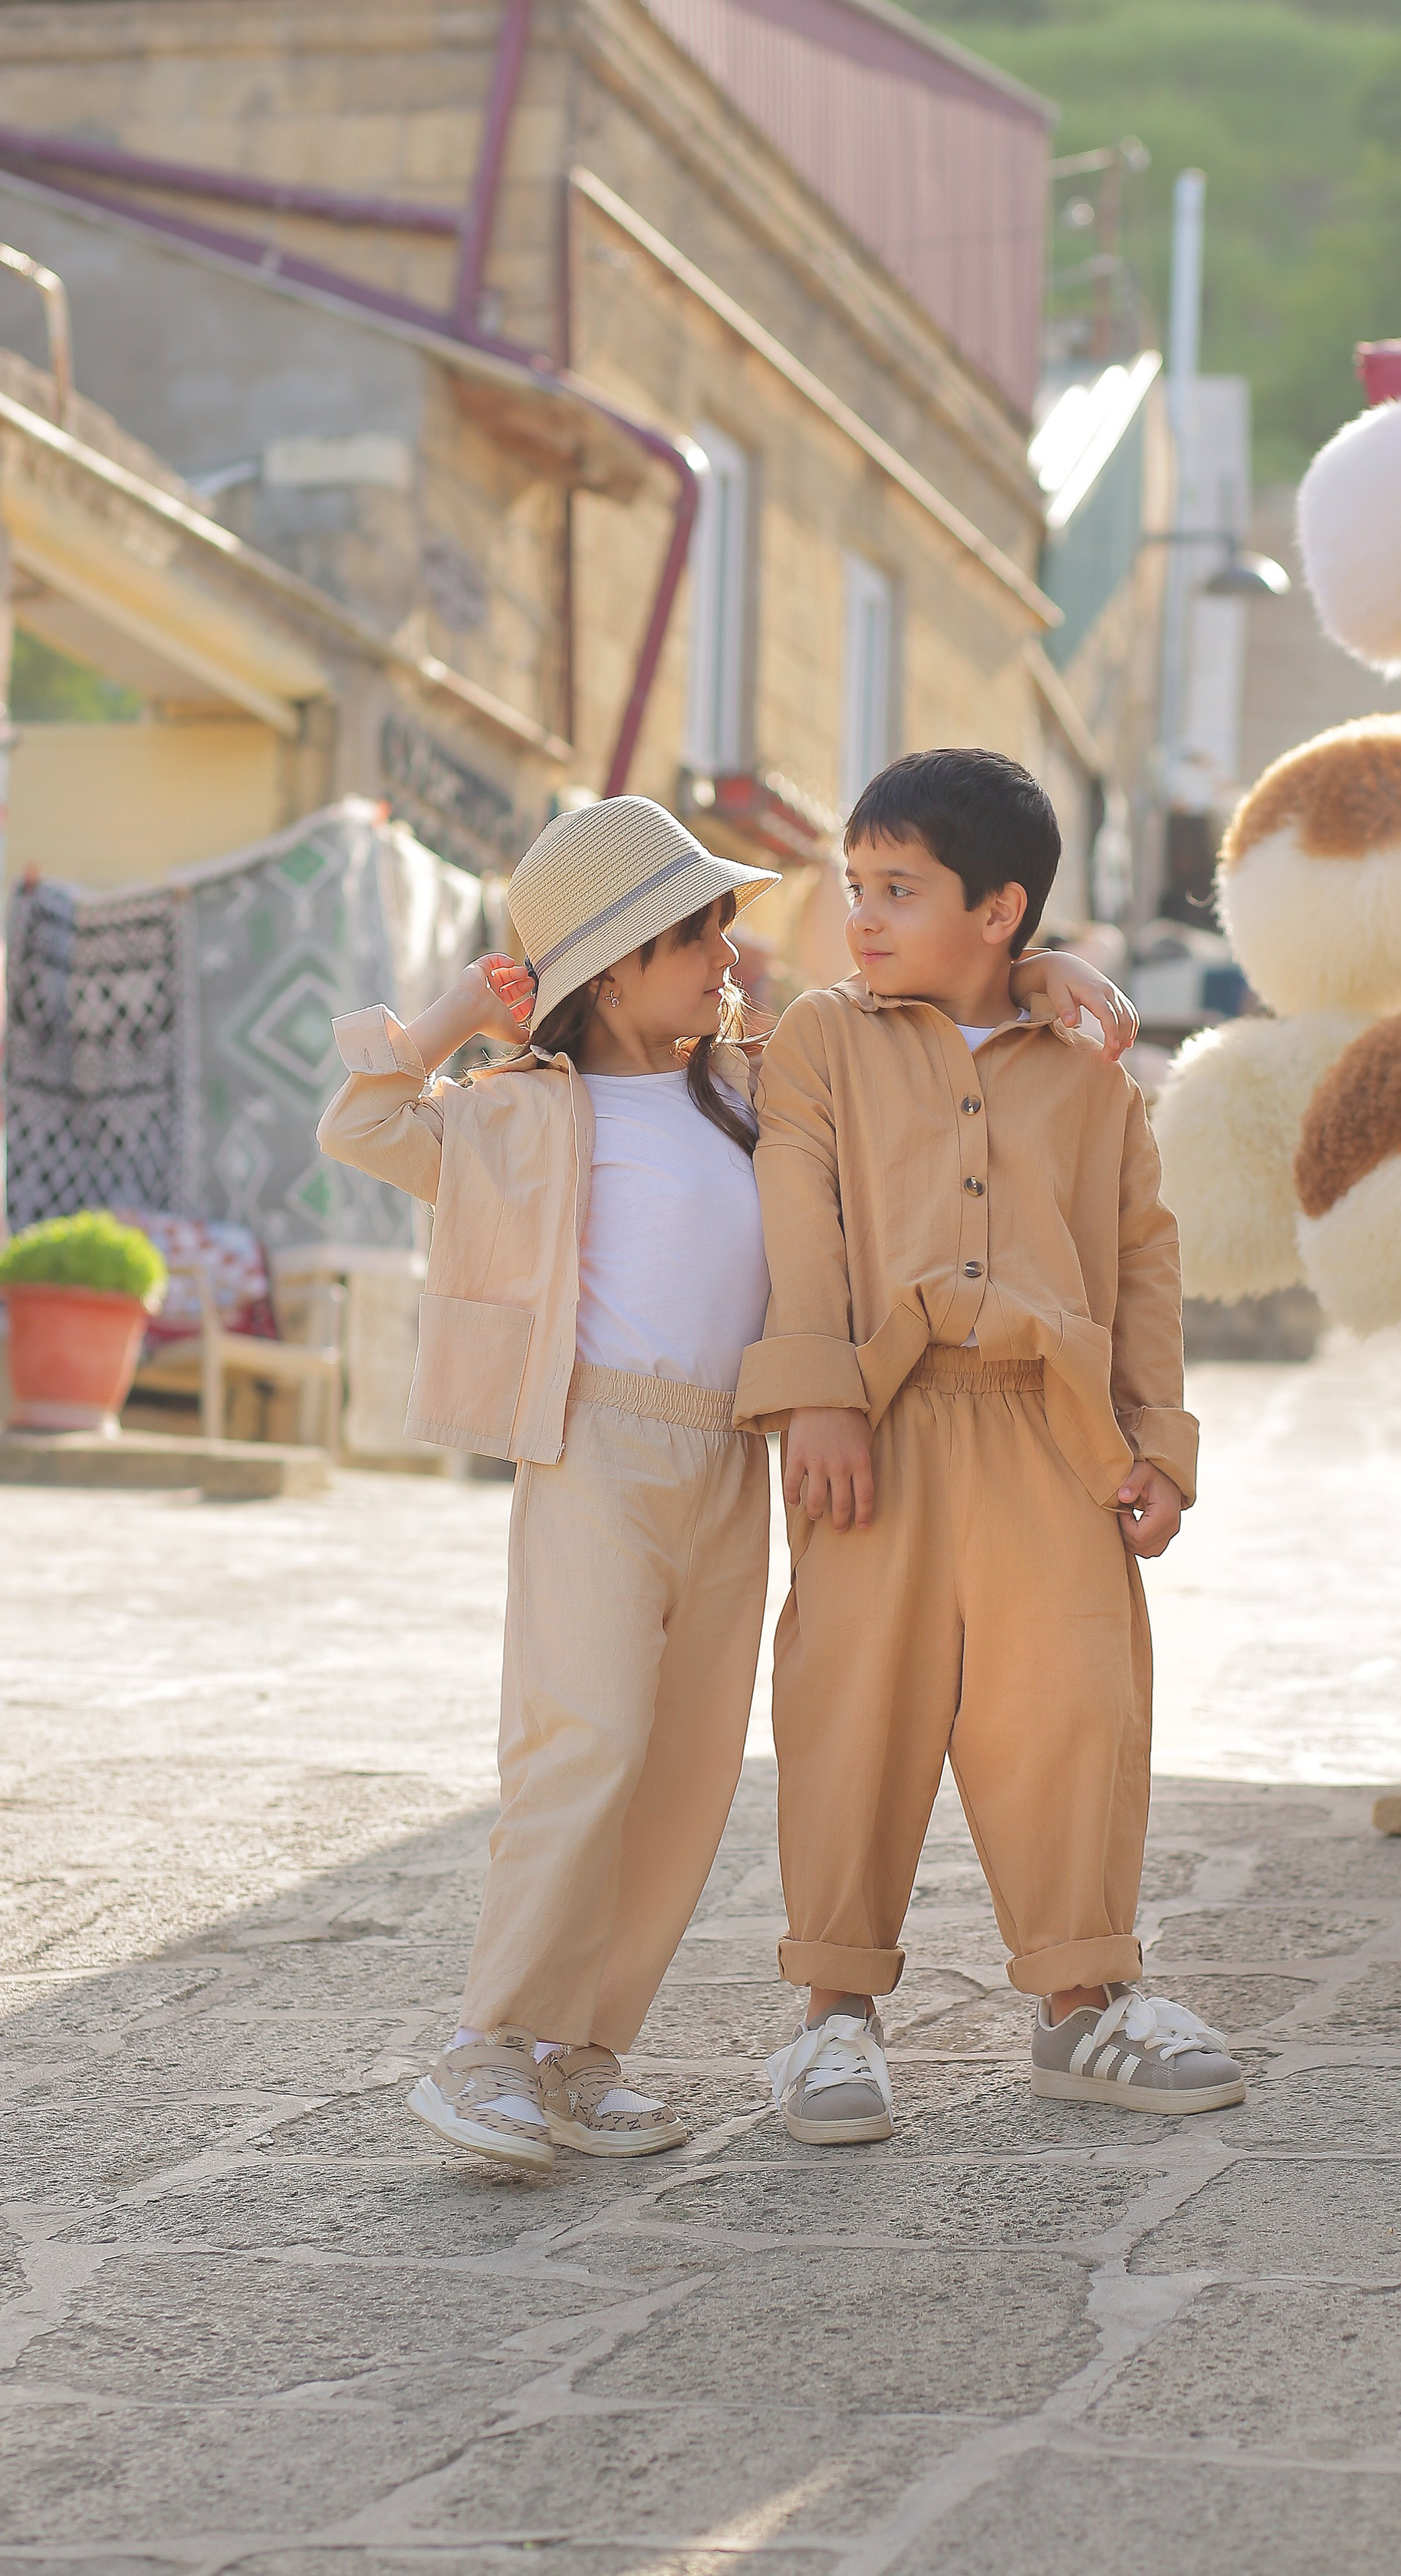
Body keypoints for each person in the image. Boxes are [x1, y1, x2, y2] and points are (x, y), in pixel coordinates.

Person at [315, 793, 1136, 2177]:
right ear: (612, 964)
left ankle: (585, 2054)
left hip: (733, 1460)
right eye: (698, 937)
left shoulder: (760, 1090)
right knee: (585, 1745)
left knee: (688, 1772)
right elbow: (363, 1121)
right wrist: (467, 1004)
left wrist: (1044, 977)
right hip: (592, 1452)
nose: (730, 960)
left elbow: (918, 1068)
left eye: (728, 935)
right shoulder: (518, 1114)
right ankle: (492, 2044)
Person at [734, 748, 1243, 2147]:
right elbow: (802, 1219)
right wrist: (819, 1394)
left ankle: (1087, 2001)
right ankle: (831, 2016)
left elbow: (1141, 1258)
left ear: (1001, 910)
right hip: (877, 1431)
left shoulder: (1088, 1070)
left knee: (1076, 1702)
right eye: (856, 886)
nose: (864, 916)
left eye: (900, 888)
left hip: (1051, 1429)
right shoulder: (821, 1041)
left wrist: (1160, 1442)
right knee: (854, 1706)